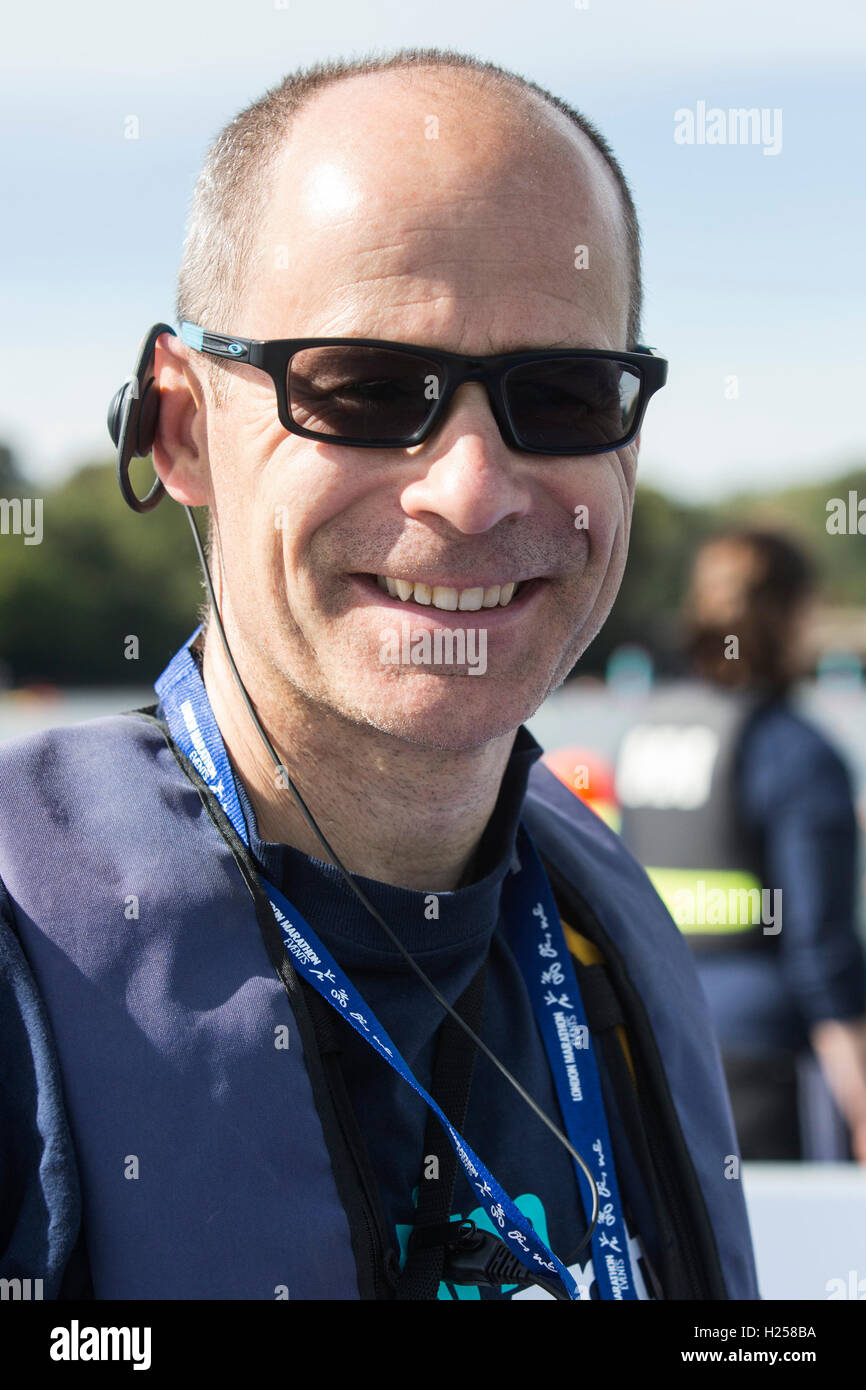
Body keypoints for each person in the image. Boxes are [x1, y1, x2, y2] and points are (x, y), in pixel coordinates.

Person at [0, 49, 758, 1301]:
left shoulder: (609, 938)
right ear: (181, 428)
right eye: (363, 390)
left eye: (559, 395)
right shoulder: (26, 959)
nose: (468, 491)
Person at [617, 530, 866, 1162]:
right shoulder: (795, 750)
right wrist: (859, 1093)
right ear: (794, 614)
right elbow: (821, 946)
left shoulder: (648, 730)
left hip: (650, 1048)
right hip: (765, 1065)